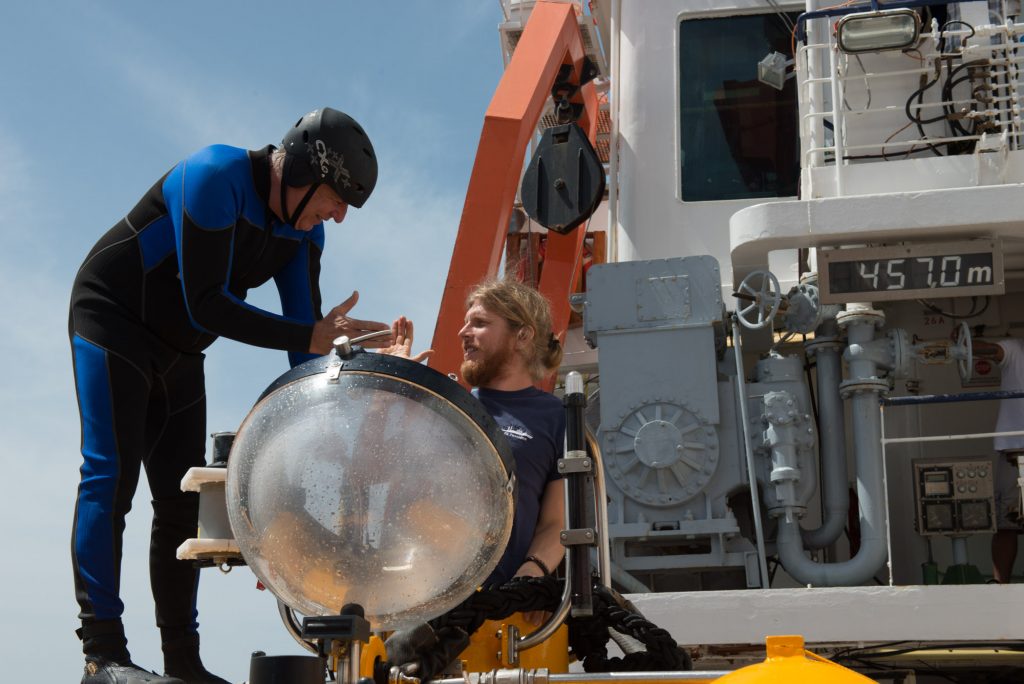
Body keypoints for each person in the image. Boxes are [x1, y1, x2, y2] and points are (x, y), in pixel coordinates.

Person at [69, 107, 393, 683]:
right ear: (300, 168)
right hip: (112, 318)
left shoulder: (303, 231)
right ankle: (103, 654)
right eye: (337, 198)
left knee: (178, 505)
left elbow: (304, 348)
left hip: (181, 350)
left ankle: (182, 663)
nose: (338, 217)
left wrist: (356, 375)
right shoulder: (215, 176)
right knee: (109, 478)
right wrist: (309, 334)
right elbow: (207, 302)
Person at [386, 278, 566, 614]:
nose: (463, 332)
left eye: (480, 323)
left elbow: (557, 522)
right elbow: (376, 484)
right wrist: (387, 393)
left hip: (505, 610)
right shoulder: (441, 408)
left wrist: (532, 573)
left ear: (523, 336)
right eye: (466, 322)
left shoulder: (557, 417)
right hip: (425, 603)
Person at [973, 337, 1024, 583]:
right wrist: (965, 343)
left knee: (1007, 524)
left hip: (1015, 450)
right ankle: (1001, 585)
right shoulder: (1016, 349)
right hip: (1015, 450)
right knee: (1006, 524)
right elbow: (992, 350)